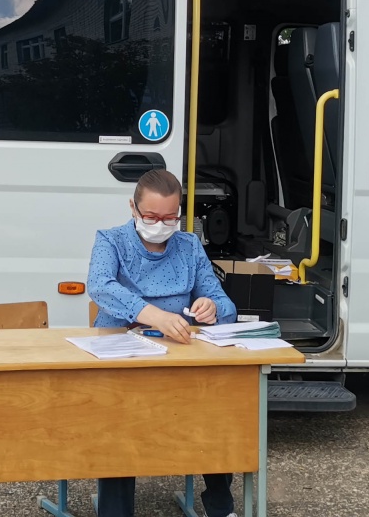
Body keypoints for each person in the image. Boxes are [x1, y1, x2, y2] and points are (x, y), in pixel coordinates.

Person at [87, 169, 239, 517]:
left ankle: (220, 507)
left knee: (215, 415)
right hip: (122, 357)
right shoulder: (111, 240)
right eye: (152, 217)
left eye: (170, 217)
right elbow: (99, 285)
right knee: (119, 425)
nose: (161, 225)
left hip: (179, 358)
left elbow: (224, 303)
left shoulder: (188, 245)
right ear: (133, 208)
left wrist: (212, 307)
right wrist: (154, 315)